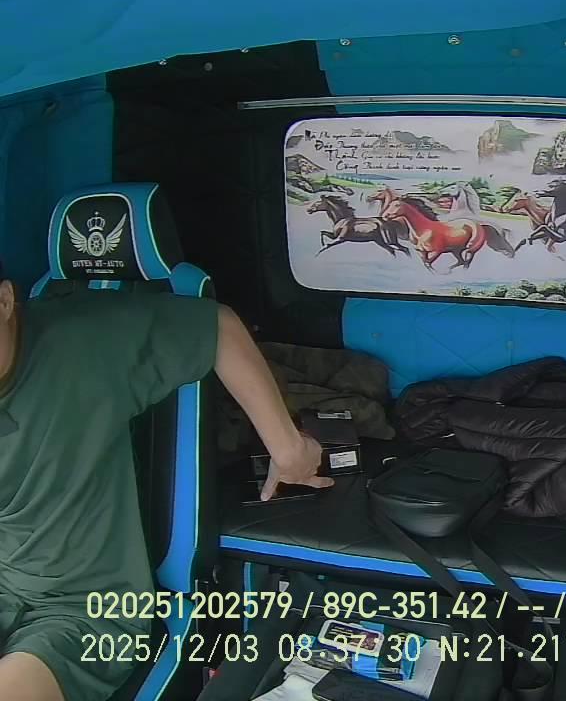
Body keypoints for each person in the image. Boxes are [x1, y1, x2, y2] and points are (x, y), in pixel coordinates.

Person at [0, 270, 333, 701]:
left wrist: (288, 448)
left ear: (5, 301)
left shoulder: (81, 339)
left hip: (85, 611)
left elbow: (217, 327)